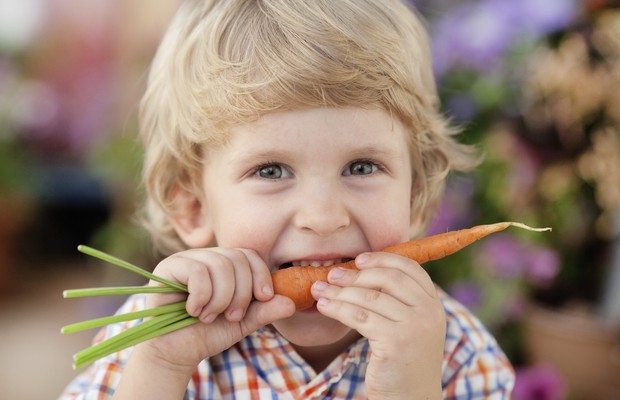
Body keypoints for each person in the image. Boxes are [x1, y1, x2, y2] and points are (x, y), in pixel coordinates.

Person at [59, 0, 515, 398]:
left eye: (361, 167)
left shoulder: (454, 350)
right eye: (271, 171)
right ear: (193, 206)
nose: (323, 217)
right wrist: (160, 369)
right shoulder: (158, 332)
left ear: (417, 194)